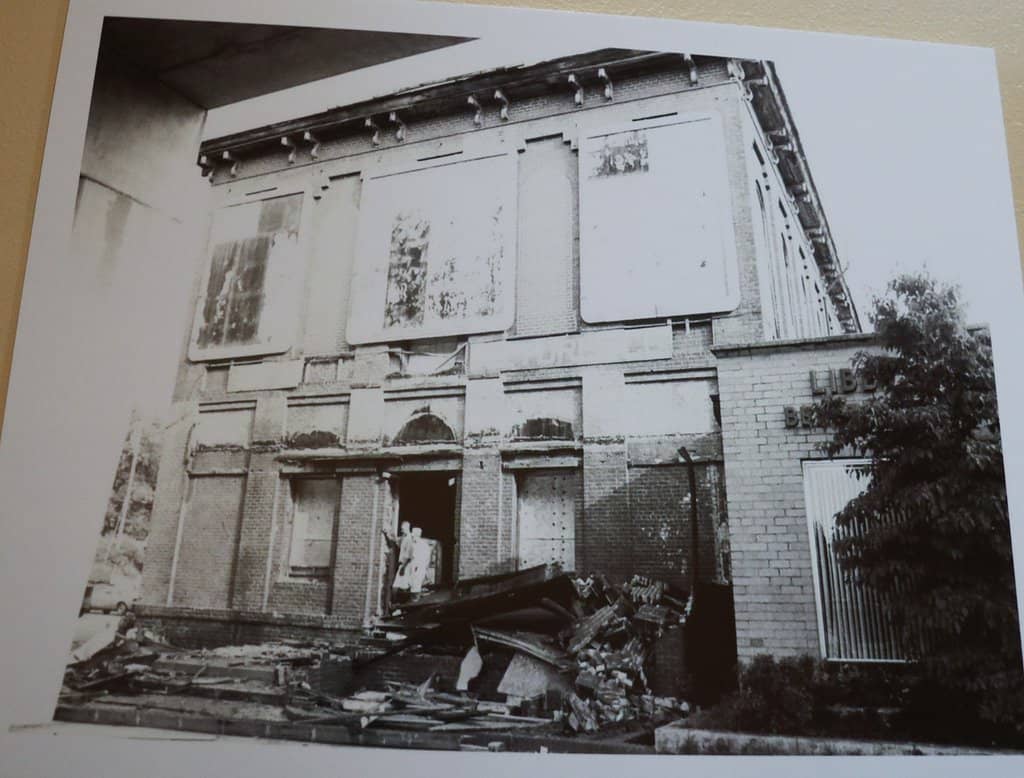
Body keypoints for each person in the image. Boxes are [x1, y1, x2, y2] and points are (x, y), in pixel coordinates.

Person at [381, 521, 410, 613]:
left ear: (407, 528)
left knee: (400, 587)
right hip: (403, 565)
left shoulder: (409, 539)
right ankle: (399, 606)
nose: (402, 530)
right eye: (401, 529)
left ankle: (400, 606)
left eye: (403, 529)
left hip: (406, 566)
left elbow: (410, 556)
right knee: (400, 587)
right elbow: (395, 540)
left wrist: (404, 568)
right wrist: (387, 533)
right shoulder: (404, 538)